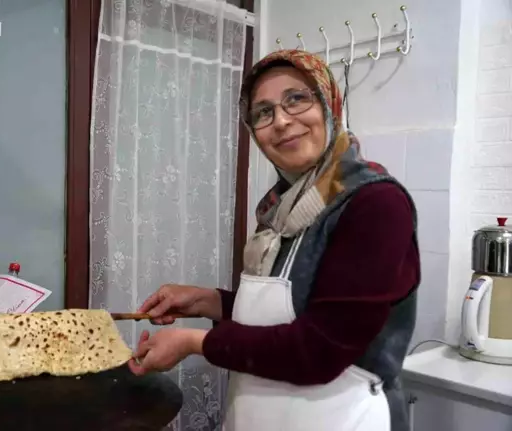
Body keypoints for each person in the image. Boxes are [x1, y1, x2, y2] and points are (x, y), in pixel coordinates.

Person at [128, 49, 420, 431]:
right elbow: (291, 312)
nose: (281, 121)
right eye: (263, 112)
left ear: (330, 104)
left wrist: (192, 343)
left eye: (297, 99)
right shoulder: (279, 208)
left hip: (343, 418)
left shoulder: (376, 204)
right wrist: (205, 300)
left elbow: (320, 349)